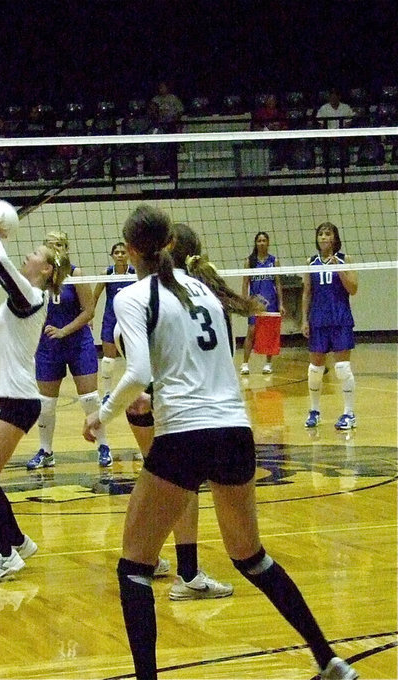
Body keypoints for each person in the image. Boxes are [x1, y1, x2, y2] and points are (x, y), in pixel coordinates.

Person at [84, 205, 358, 680]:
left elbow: (140, 372)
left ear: (130, 251)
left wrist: (102, 415)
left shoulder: (132, 295)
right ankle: (328, 659)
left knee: (133, 567)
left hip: (186, 434)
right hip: (234, 432)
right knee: (250, 556)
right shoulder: (208, 294)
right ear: (169, 244)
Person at [122, 222, 247, 600]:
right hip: (182, 409)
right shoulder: (203, 298)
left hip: (147, 402)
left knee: (160, 483)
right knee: (181, 486)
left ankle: (153, 555)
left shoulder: (150, 295)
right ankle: (186, 573)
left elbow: (125, 344)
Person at [0, 213, 70, 584]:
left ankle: (4, 554)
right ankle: (16, 541)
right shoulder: (29, 294)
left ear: (45, 271)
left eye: (35, 254)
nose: (28, 256)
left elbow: (2, 266)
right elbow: (4, 267)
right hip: (16, 396)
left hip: (19, 398)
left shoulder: (32, 295)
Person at [26, 231, 112, 469]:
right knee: (46, 403)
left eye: (60, 245)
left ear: (66, 248)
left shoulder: (75, 274)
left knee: (90, 399)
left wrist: (64, 330)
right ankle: (46, 451)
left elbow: (89, 310)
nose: (56, 249)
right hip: (48, 346)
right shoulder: (38, 278)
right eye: (51, 245)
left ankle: (103, 445)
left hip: (77, 343)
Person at [301, 222, 358, 430]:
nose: (324, 237)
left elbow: (353, 289)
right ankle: (314, 411)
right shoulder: (311, 262)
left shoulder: (345, 260)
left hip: (340, 318)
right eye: (321, 234)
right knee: (315, 369)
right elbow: (307, 292)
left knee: (342, 368)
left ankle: (349, 414)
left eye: (328, 234)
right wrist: (304, 320)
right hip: (318, 319)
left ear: (335, 238)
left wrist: (339, 270)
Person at [93, 242, 134, 402]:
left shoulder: (135, 273)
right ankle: (108, 393)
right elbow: (95, 296)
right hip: (111, 318)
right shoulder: (107, 273)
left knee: (132, 358)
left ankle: (133, 391)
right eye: (116, 252)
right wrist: (90, 317)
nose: (120, 255)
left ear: (129, 255)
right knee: (108, 360)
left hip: (130, 320)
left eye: (123, 252)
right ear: (112, 256)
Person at [240, 231, 285, 375]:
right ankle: (245, 363)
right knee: (251, 332)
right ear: (256, 243)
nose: (261, 243)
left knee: (269, 333)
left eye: (264, 240)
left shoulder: (274, 261)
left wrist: (281, 303)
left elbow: (278, 284)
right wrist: (244, 302)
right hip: (255, 303)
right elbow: (245, 283)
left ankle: (268, 363)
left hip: (270, 302)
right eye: (259, 240)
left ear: (268, 243)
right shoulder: (250, 261)